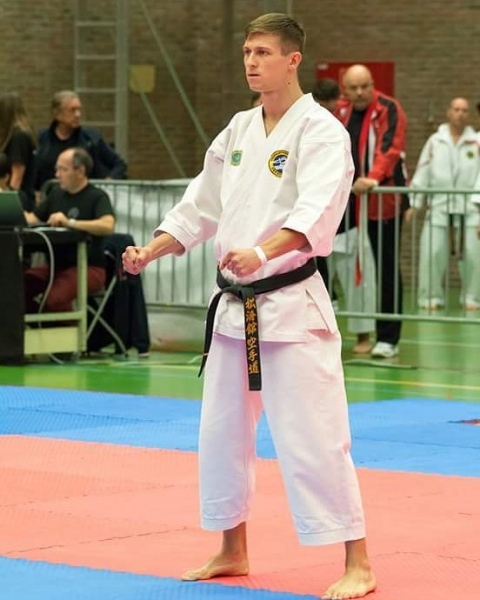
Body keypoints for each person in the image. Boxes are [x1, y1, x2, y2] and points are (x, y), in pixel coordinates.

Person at [123, 13, 375, 600]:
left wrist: (261, 253)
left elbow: (316, 213)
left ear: (293, 60)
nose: (251, 62)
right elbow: (200, 205)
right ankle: (232, 547)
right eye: (246, 52)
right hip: (234, 312)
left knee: (315, 437)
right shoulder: (238, 129)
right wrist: (152, 250)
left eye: (263, 52)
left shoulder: (321, 131)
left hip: (290, 307)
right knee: (221, 434)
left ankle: (358, 562)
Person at [335, 64, 409, 359]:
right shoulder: (339, 112)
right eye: (353, 88)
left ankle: (388, 337)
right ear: (345, 89)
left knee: (386, 268)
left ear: (372, 84)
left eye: (364, 86)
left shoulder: (389, 108)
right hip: (348, 204)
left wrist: (373, 178)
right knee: (340, 263)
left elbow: (391, 148)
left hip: (382, 202)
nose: (360, 93)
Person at [312, 78, 375, 353]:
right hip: (314, 221)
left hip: (347, 219)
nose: (328, 112)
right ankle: (316, 336)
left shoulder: (346, 129)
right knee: (314, 284)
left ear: (338, 102)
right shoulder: (306, 128)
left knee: (356, 280)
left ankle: (363, 336)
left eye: (331, 107)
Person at [24, 147, 115, 314]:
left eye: (63, 169)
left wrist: (70, 223)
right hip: (56, 266)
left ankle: (66, 327)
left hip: (88, 267)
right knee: (16, 287)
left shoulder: (97, 196)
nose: (57, 175)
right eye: (57, 169)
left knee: (54, 298)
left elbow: (107, 225)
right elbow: (33, 218)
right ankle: (37, 324)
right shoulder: (56, 194)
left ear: (80, 171)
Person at [410, 97, 480, 310]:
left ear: (469, 115)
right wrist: (414, 203)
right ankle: (430, 297)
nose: (460, 114)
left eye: (464, 110)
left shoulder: (476, 142)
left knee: (473, 256)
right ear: (449, 112)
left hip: (471, 208)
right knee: (432, 253)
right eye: (456, 109)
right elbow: (423, 170)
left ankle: (473, 297)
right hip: (439, 207)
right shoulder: (435, 141)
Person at [34, 90, 127, 194]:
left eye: (79, 109)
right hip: (50, 197)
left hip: (85, 197)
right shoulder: (41, 138)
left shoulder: (91, 138)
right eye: (72, 110)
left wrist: (107, 183)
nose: (78, 114)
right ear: (57, 114)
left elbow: (119, 164)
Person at [0, 92, 37, 211]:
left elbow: (16, 178)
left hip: (18, 201)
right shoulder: (14, 136)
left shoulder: (19, 137)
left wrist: (7, 202)